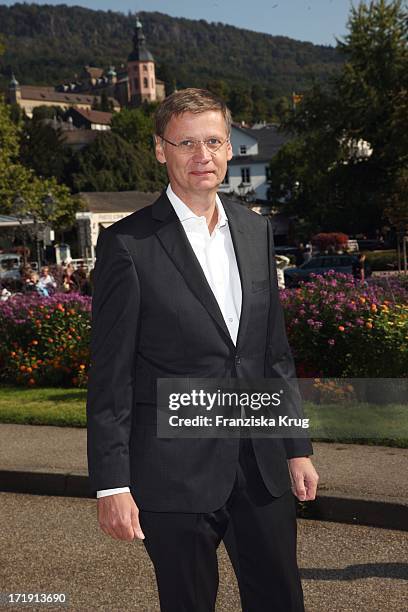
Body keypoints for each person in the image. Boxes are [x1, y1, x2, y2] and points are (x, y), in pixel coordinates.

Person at [87, 88, 319, 612]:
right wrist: (111, 485)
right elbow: (111, 374)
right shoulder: (128, 244)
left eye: (214, 140)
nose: (202, 155)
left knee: (281, 599)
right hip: (172, 471)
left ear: (230, 149)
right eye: (186, 142)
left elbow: (272, 355)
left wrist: (296, 446)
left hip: (259, 464)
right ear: (159, 150)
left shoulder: (256, 231)